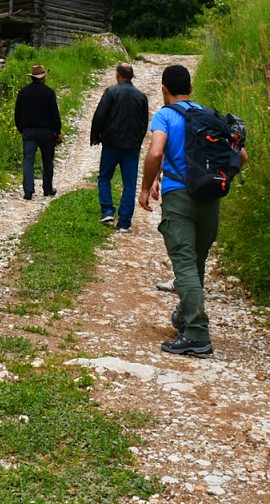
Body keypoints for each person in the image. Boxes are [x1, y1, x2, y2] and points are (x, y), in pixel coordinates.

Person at [138, 63, 245, 356]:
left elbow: (156, 152)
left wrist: (146, 188)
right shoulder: (209, 115)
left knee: (183, 263)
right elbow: (242, 155)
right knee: (196, 262)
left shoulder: (164, 116)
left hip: (179, 197)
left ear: (164, 90)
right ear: (191, 89)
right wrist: (220, 180)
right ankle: (186, 317)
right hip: (210, 197)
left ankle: (197, 335)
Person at [89, 63, 149, 230]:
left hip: (112, 143)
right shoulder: (141, 96)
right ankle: (124, 222)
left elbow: (100, 115)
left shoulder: (111, 92)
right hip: (132, 145)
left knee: (104, 177)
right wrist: (139, 140)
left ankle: (107, 210)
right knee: (129, 183)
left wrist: (95, 136)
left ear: (118, 75)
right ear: (132, 76)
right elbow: (144, 122)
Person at [14, 63, 62, 199]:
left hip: (28, 131)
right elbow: (54, 115)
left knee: (28, 160)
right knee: (47, 160)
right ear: (43, 77)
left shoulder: (23, 92)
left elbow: (17, 114)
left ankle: (28, 190)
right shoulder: (49, 93)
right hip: (46, 132)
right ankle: (47, 189)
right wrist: (57, 132)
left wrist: (21, 129)